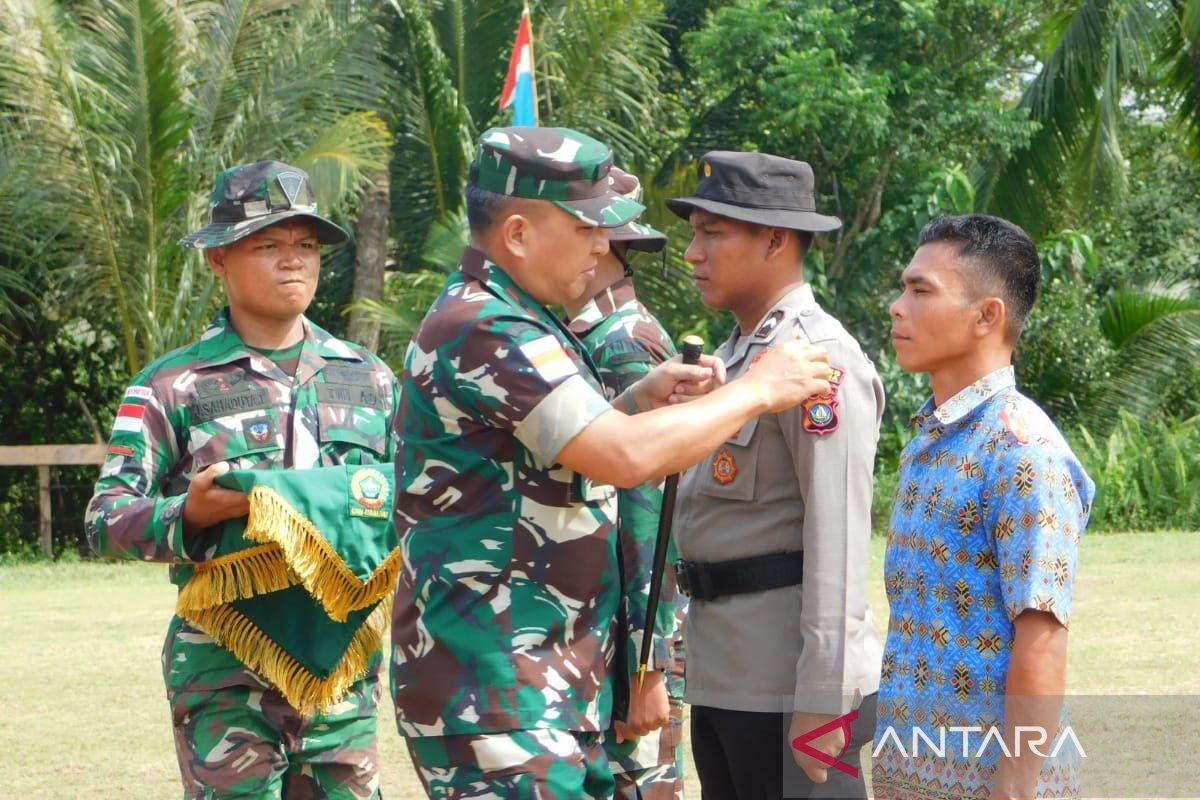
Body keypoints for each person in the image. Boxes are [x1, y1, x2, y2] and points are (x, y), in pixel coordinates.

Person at [389, 126, 836, 799]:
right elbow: (625, 461)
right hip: (497, 687)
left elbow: (544, 458)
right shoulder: (487, 326)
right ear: (516, 233)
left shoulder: (521, 319)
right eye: (587, 228)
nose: (604, 246)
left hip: (538, 684)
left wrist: (630, 403)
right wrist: (759, 389)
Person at [85, 160, 399, 799]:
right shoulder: (173, 386)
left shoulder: (370, 379)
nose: (294, 261)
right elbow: (104, 519)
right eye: (269, 245)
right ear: (219, 259)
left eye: (306, 245)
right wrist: (189, 516)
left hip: (342, 671)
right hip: (224, 672)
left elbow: (412, 503)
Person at [666, 151, 883, 799]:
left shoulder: (819, 361)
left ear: (775, 241)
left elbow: (839, 539)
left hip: (788, 690)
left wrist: (826, 694)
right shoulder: (736, 361)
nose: (692, 253)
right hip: (727, 674)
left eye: (712, 232)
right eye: (693, 233)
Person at [872, 214, 1095, 799]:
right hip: (914, 775)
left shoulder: (1025, 453)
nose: (897, 307)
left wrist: (1016, 789)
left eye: (921, 291)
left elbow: (1041, 633)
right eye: (904, 288)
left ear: (987, 315)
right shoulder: (931, 438)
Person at [563, 167, 688, 800]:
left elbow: (652, 515)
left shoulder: (624, 344)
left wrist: (648, 663)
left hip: (626, 648)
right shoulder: (579, 337)